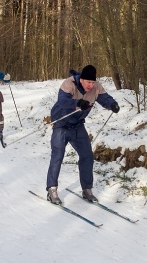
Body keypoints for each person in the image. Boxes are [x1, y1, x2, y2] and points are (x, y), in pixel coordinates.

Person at [46, 65, 120, 205]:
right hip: (61, 124)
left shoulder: (96, 87)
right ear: (82, 80)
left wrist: (112, 104)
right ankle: (52, 189)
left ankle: (87, 189)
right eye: (88, 82)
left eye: (93, 82)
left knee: (87, 156)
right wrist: (78, 102)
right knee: (57, 155)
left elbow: (105, 98)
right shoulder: (69, 84)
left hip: (77, 126)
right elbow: (63, 101)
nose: (90, 86)